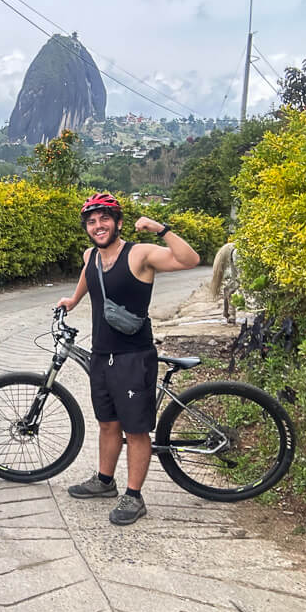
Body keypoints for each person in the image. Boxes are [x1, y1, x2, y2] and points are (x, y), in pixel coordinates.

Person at [57, 193, 199, 526]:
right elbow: (87, 276)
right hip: (101, 354)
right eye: (91, 221)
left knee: (135, 430)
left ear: (118, 222)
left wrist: (161, 229)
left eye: (104, 219)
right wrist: (74, 300)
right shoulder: (90, 255)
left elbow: (190, 259)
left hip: (134, 357)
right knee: (107, 423)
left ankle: (134, 497)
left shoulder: (139, 254)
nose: (98, 225)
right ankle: (105, 481)